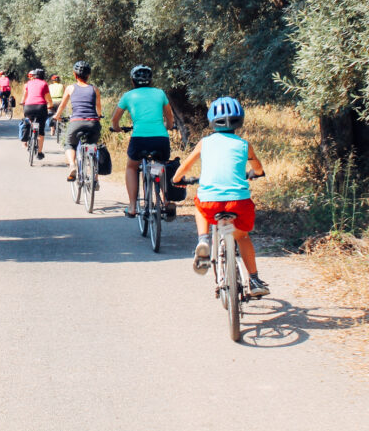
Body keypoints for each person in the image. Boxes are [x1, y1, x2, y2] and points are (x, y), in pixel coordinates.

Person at [171, 97, 269, 297]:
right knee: (242, 237)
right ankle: (254, 279)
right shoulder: (244, 145)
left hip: (210, 201)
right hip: (238, 201)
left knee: (199, 206)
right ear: (239, 120)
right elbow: (257, 168)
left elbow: (186, 166)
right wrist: (255, 174)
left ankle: (203, 239)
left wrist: (177, 178)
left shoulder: (204, 143)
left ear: (211, 120)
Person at [111, 64, 174, 218]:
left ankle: (132, 206)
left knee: (132, 167)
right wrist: (169, 126)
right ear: (151, 81)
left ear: (133, 81)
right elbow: (169, 116)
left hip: (139, 138)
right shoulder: (160, 93)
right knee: (161, 165)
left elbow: (115, 118)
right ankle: (166, 201)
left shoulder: (128, 96)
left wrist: (117, 128)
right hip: (160, 138)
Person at [52, 61, 103, 182]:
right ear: (88, 75)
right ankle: (95, 176)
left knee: (69, 144)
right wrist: (99, 116)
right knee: (94, 145)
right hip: (93, 123)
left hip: (76, 122)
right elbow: (98, 107)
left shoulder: (70, 88)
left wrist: (56, 116)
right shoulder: (95, 89)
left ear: (75, 75)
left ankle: (72, 166)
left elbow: (62, 106)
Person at [20, 68, 53, 159]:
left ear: (34, 75)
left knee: (30, 121)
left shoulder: (28, 83)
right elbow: (48, 99)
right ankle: (39, 153)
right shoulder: (44, 84)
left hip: (28, 107)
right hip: (40, 107)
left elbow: (24, 96)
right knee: (41, 131)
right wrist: (50, 105)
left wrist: (22, 102)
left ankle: (28, 131)